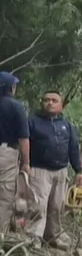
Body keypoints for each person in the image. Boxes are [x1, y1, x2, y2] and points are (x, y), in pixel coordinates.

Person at [27, 90, 82, 247]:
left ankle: (52, 236)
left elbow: (73, 148)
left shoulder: (66, 125)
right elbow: (24, 144)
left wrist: (79, 170)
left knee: (57, 206)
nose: (49, 102)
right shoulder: (32, 122)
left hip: (61, 171)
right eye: (46, 100)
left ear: (61, 105)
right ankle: (33, 238)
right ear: (41, 103)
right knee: (38, 205)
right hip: (39, 170)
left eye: (54, 100)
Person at [0, 72, 30, 234]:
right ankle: (0, 234)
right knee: (4, 196)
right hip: (5, 154)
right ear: (11, 88)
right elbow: (23, 139)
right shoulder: (16, 106)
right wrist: (26, 163)